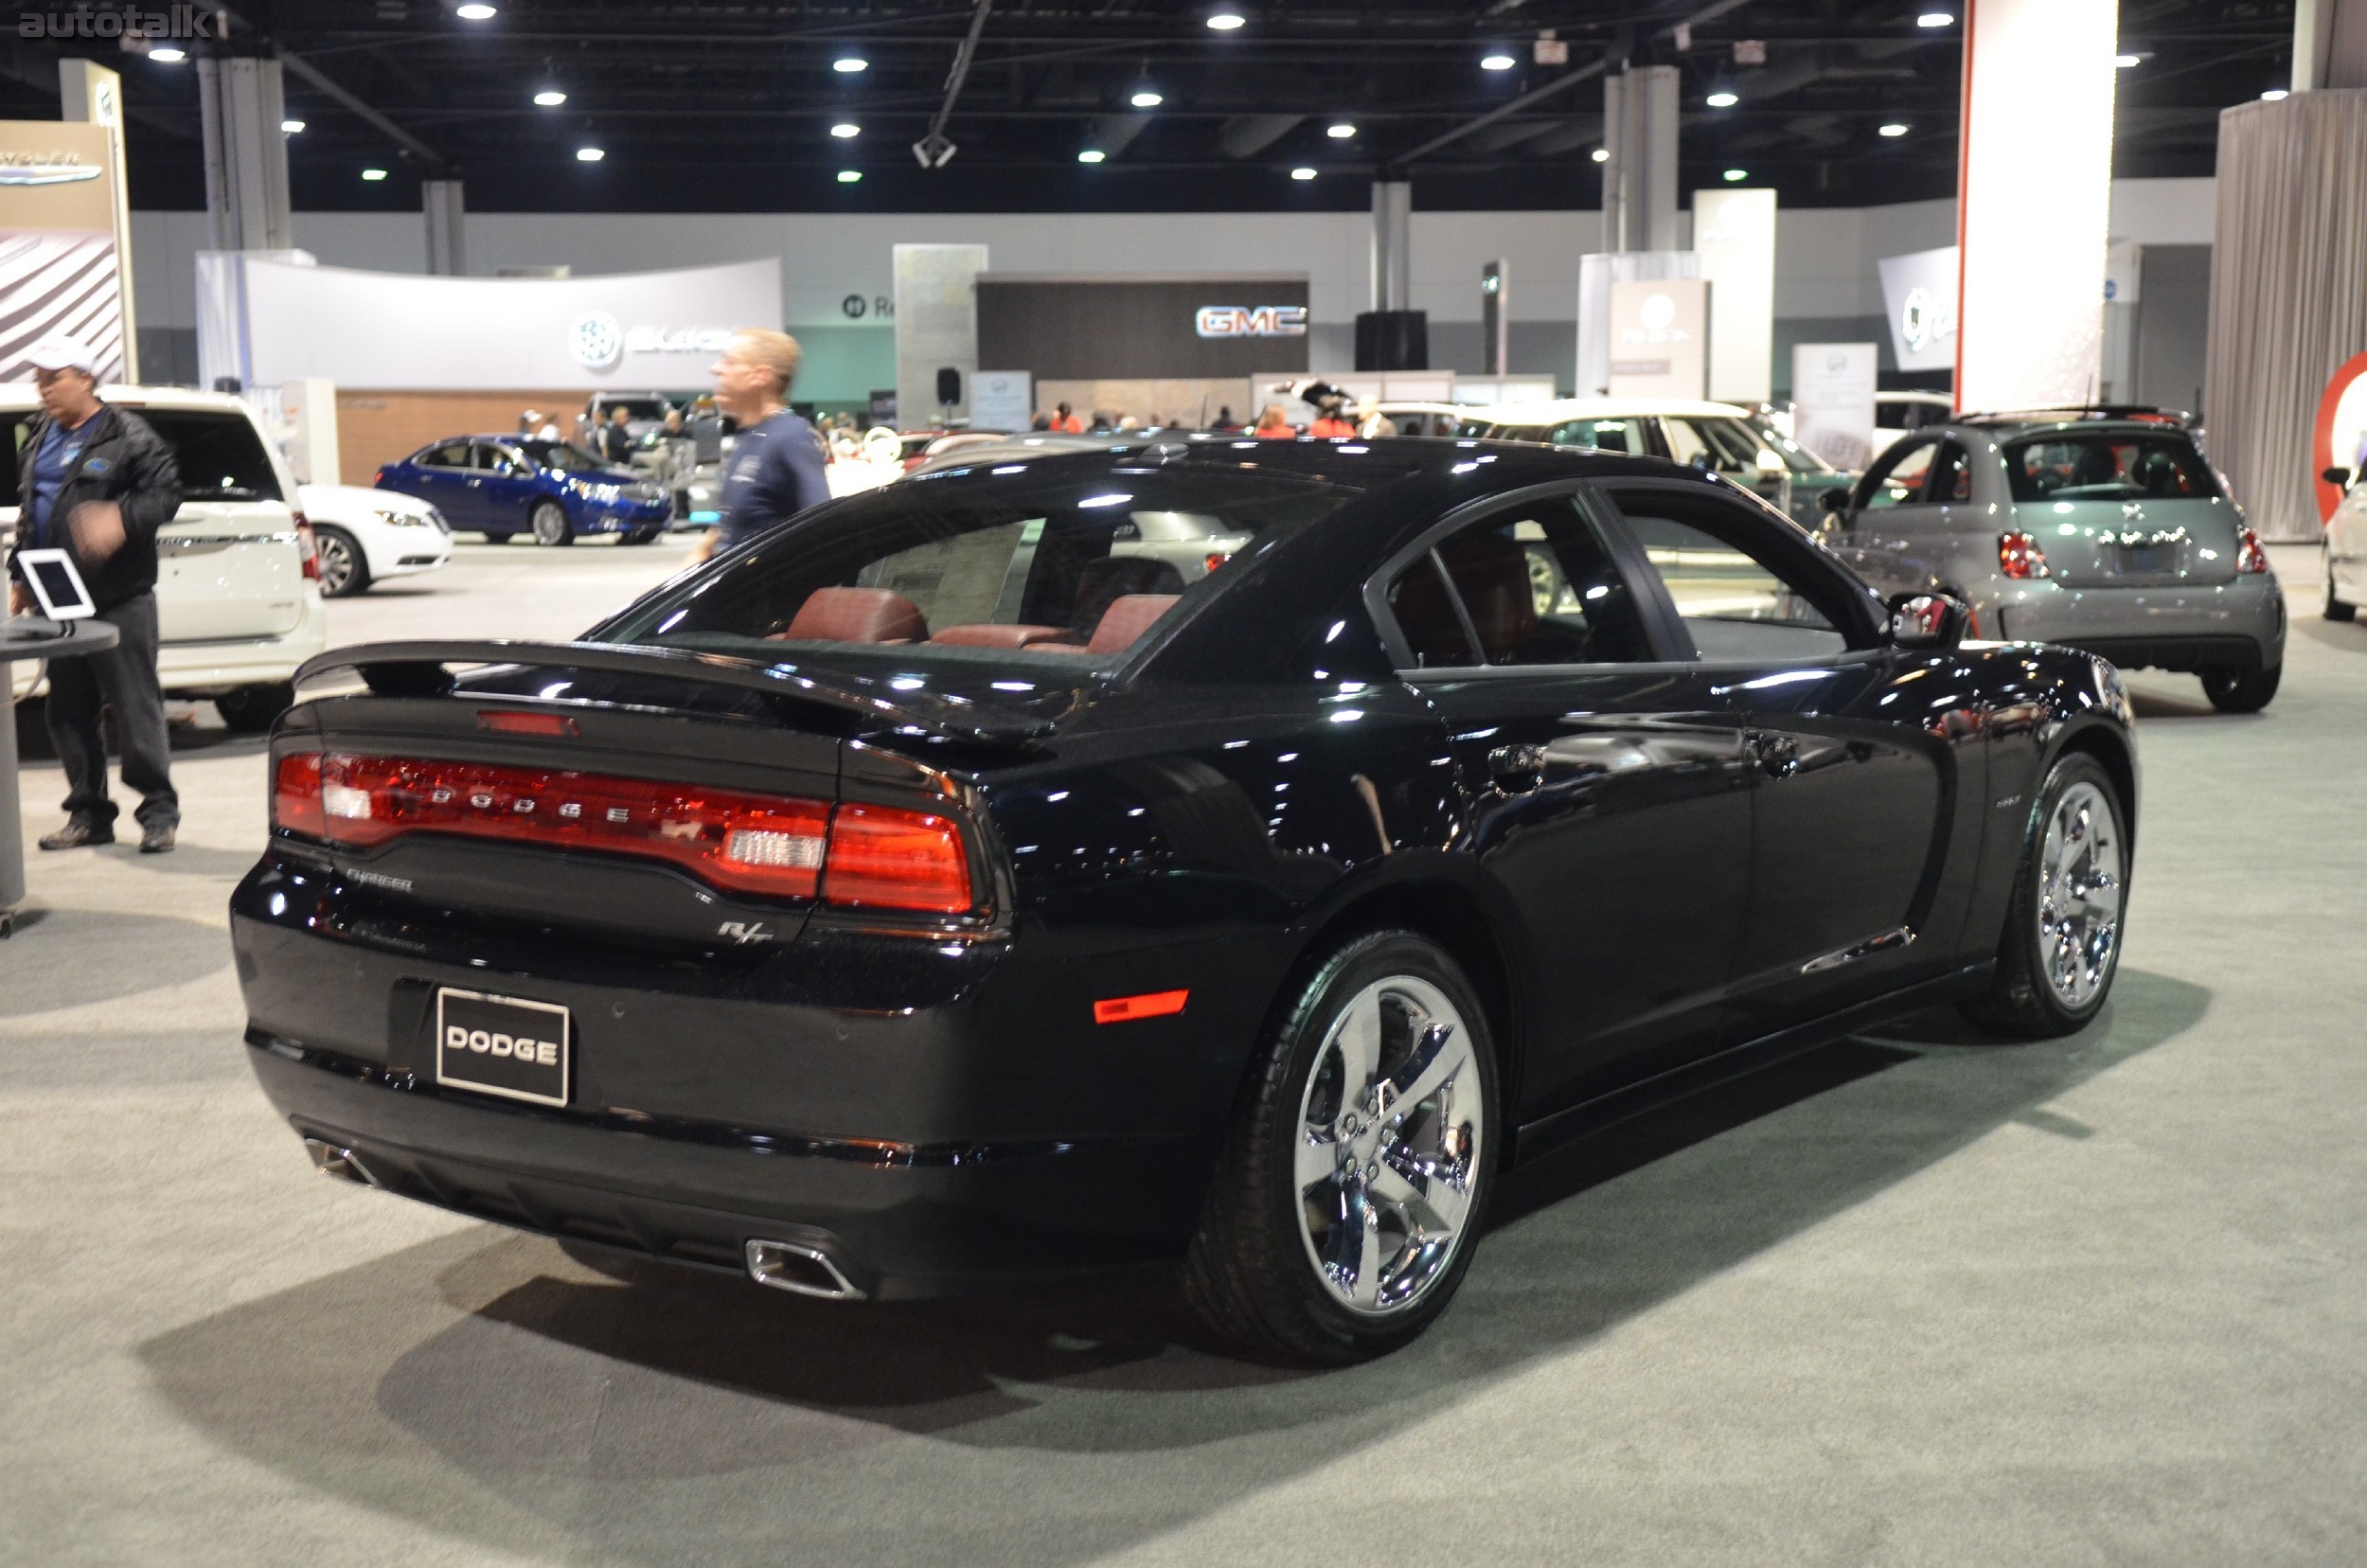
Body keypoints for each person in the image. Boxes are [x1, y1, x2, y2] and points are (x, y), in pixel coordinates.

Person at [4, 337, 183, 853]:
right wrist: (20, 575)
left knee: (134, 708)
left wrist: (120, 520)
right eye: (38, 379)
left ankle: (157, 815)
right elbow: (30, 510)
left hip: (118, 596)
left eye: (53, 378)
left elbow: (166, 493)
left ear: (85, 377)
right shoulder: (39, 436)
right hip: (60, 600)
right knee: (67, 711)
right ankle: (89, 815)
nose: (43, 389)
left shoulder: (127, 433)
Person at [692, 328, 831, 562]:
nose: (715, 369)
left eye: (730, 362)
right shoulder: (751, 437)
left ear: (760, 376)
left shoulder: (790, 439)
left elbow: (821, 531)